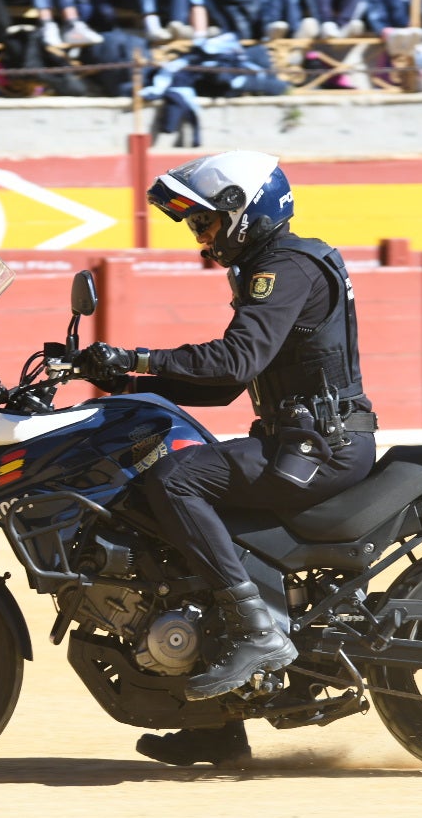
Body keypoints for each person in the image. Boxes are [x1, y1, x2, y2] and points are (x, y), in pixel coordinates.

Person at [78, 150, 377, 767]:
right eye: (196, 226)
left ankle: (258, 632)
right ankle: (217, 720)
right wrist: (119, 382)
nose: (203, 236)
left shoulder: (285, 267)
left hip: (320, 448)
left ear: (250, 208)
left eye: (209, 222)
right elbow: (223, 388)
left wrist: (138, 357)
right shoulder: (273, 267)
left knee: (177, 479)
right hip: (301, 441)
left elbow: (234, 361)